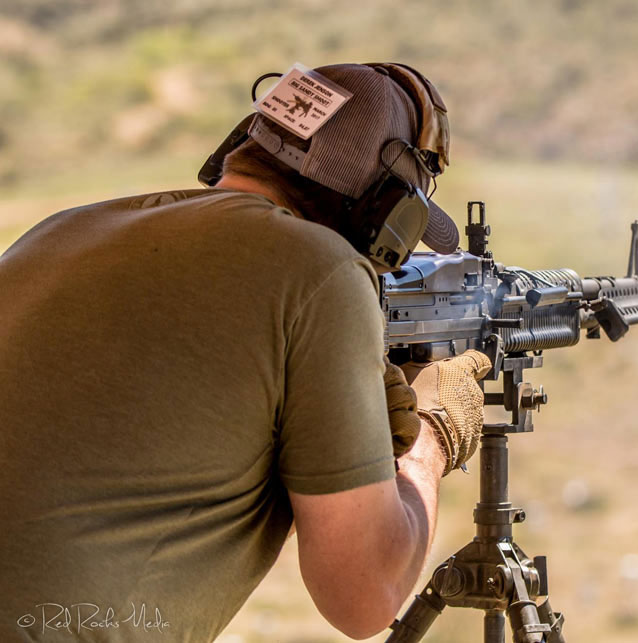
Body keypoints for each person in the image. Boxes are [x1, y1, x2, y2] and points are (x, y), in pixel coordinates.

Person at [0, 62, 491, 641]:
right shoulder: (321, 271)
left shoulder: (56, 231)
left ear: (239, 145)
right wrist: (435, 435)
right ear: (386, 211)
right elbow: (365, 598)